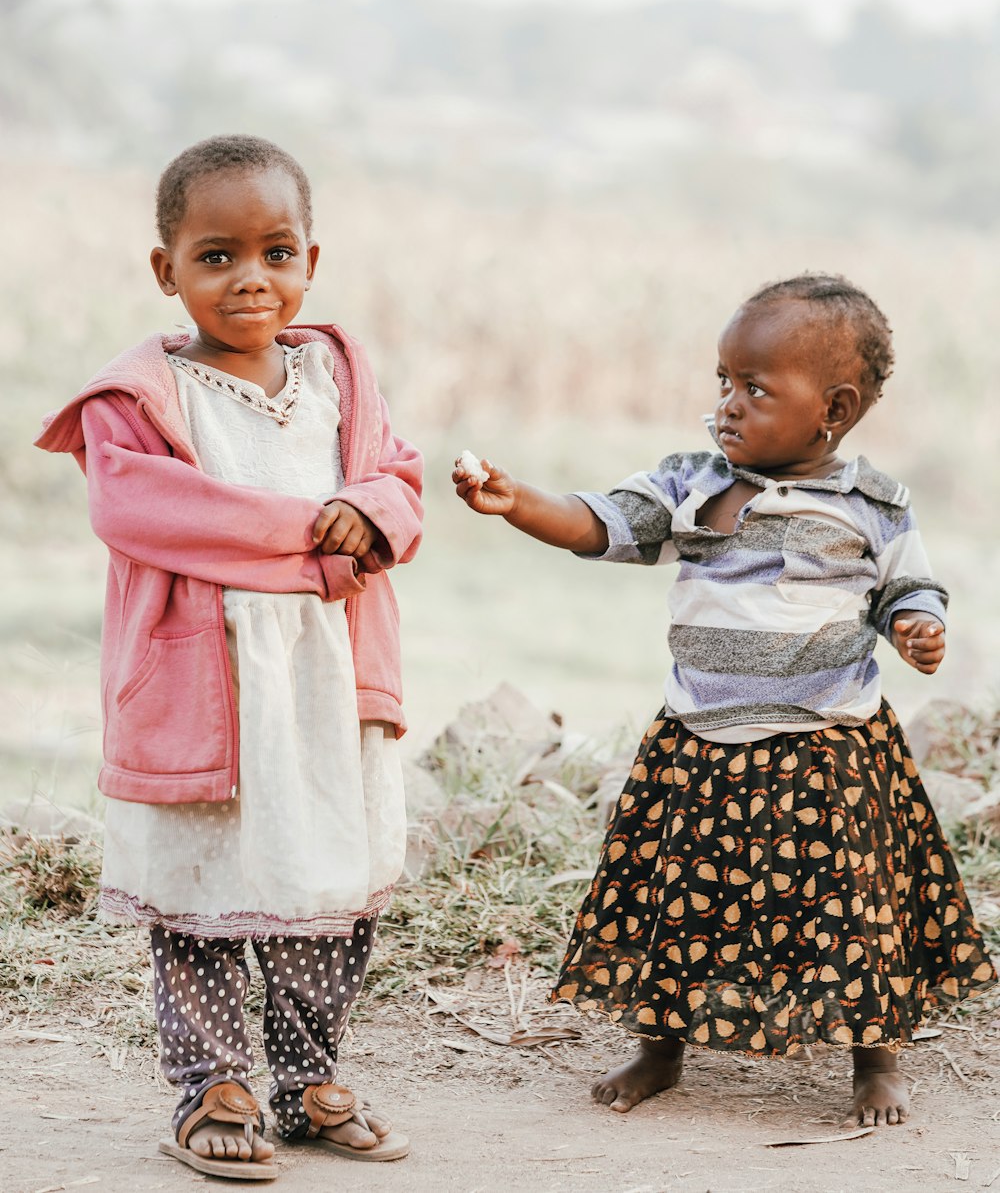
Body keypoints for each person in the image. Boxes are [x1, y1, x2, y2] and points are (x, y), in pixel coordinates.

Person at [453, 274, 995, 1131]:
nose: (727, 405)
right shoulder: (693, 482)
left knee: (849, 901)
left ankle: (875, 1058)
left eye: (755, 388)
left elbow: (907, 589)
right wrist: (516, 500)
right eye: (723, 381)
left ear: (835, 406)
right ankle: (661, 1048)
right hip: (698, 738)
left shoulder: (874, 503)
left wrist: (919, 627)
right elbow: (600, 523)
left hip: (829, 744)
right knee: (683, 900)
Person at [37, 135, 423, 1180]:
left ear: (309, 259)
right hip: (204, 687)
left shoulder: (339, 371)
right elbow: (145, 510)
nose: (250, 277)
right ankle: (213, 1082)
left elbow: (398, 479)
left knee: (322, 883)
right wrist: (321, 534)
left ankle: (307, 1077)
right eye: (216, 256)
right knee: (203, 890)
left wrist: (375, 509)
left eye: (275, 251)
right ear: (166, 270)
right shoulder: (139, 397)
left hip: (327, 684)